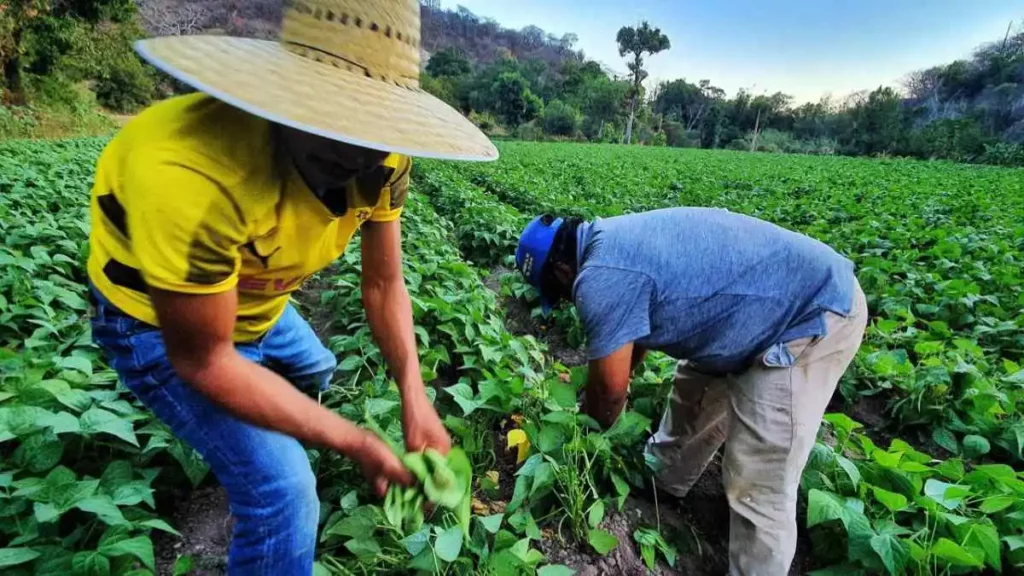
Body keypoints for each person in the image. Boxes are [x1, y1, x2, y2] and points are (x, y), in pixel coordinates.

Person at [86, 1, 497, 574]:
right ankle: (260, 473)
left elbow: (383, 285)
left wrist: (414, 393)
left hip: (256, 300)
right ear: (286, 94)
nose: (356, 152)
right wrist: (355, 442)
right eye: (335, 121)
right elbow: (206, 359)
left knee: (315, 370)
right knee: (285, 496)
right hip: (154, 321)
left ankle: (269, 430)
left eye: (374, 127)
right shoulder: (192, 171)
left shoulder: (384, 158)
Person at [515, 207, 868, 575]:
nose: (568, 302)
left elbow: (609, 392)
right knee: (693, 393)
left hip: (809, 315)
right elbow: (635, 334)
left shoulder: (600, 278)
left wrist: (589, 436)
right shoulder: (610, 242)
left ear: (561, 271)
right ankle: (662, 483)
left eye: (559, 295)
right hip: (751, 314)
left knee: (760, 477)